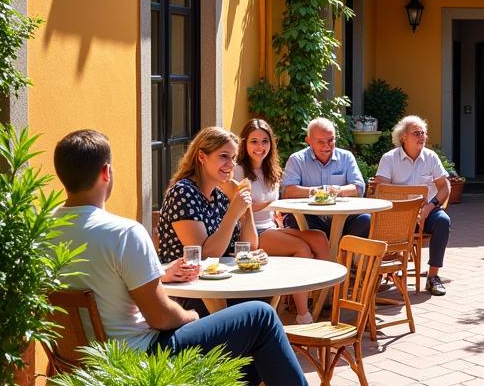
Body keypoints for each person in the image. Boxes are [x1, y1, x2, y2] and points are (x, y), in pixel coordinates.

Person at [52, 129, 390, 386]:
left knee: (256, 339)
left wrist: (166, 276)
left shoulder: (43, 231)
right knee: (261, 318)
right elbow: (161, 316)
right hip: (141, 361)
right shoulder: (121, 233)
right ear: (107, 172)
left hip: (84, 363)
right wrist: (192, 315)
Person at [234, 118, 329, 324]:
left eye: (265, 141)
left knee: (319, 238)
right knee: (301, 249)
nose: (260, 147)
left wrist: (276, 215)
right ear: (244, 144)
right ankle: (303, 315)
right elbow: (239, 207)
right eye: (254, 141)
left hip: (271, 227)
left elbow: (274, 207)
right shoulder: (238, 170)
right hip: (251, 233)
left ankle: (323, 301)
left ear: (271, 143)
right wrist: (269, 204)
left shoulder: (272, 171)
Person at [372, 115, 451, 296]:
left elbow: (445, 186)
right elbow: (380, 187)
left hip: (426, 212)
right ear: (403, 137)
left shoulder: (431, 157)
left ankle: (433, 277)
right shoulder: (389, 158)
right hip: (396, 213)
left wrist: (429, 207)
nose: (422, 136)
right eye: (417, 133)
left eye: (424, 133)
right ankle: (381, 271)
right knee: (374, 224)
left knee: (443, 221)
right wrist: (405, 207)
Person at [157, 126, 259, 265]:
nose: (231, 164)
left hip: (217, 279)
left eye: (233, 157)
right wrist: (233, 213)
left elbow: (250, 247)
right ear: (201, 157)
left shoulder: (219, 197)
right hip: (185, 283)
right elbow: (204, 257)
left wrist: (246, 203)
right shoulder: (182, 193)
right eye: (224, 156)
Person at [281, 118, 370, 238]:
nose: (326, 146)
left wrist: (336, 190)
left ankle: (347, 256)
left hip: (343, 217)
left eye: (330, 140)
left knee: (365, 219)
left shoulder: (346, 157)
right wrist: (318, 192)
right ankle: (316, 256)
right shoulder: (297, 160)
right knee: (294, 220)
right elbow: (287, 192)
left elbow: (359, 188)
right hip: (309, 217)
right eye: (320, 142)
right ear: (309, 141)